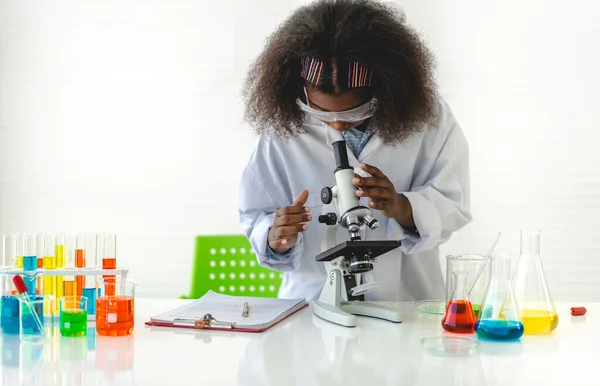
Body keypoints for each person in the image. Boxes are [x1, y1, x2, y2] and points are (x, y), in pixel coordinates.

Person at [238, 0, 472, 302]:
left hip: (408, 304)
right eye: (321, 114)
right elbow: (256, 216)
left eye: (353, 113)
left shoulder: (428, 119)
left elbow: (455, 201)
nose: (337, 124)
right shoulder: (283, 130)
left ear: (386, 89)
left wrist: (402, 207)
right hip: (311, 306)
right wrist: (275, 235)